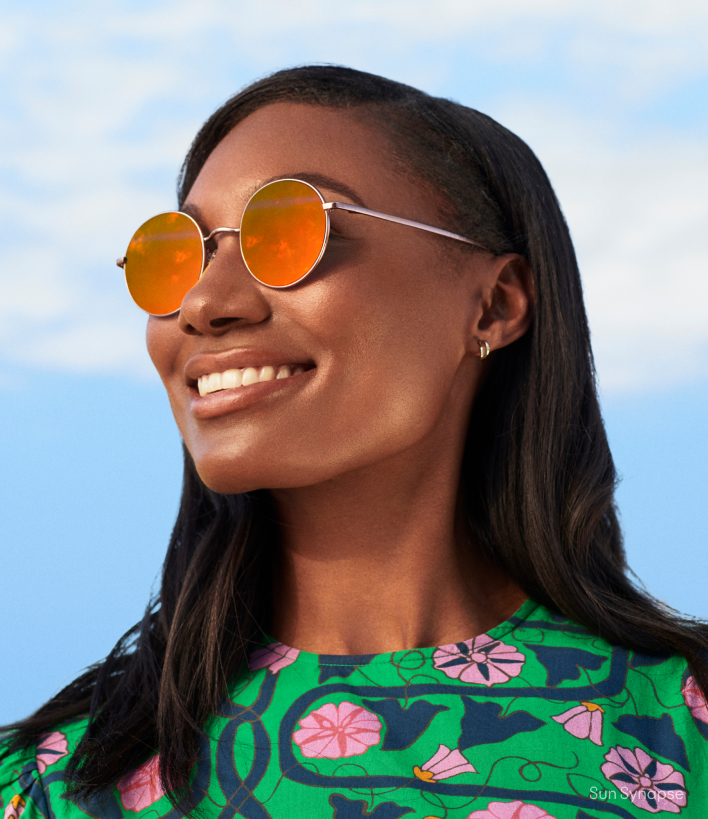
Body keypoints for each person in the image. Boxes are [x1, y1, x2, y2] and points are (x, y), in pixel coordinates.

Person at [2, 66, 707, 819]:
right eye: (176, 254)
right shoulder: (51, 783)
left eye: (290, 232)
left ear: (495, 305)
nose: (204, 302)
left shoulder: (685, 730)